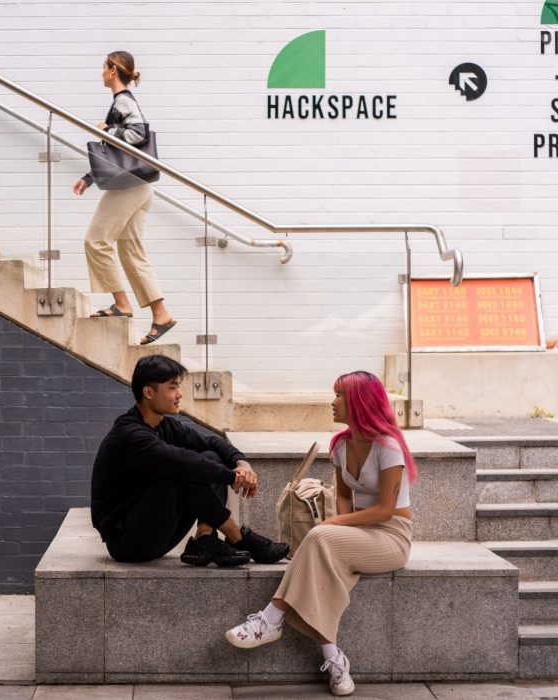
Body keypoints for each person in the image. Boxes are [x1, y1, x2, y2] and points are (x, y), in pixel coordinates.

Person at [225, 371, 416, 697]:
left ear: (359, 402)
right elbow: (343, 497)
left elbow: (385, 510)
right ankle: (335, 660)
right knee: (325, 561)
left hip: (391, 536)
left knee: (319, 537)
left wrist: (334, 527)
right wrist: (341, 528)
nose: (333, 401)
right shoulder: (341, 445)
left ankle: (271, 619)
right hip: (360, 530)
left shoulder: (388, 447)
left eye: (339, 395)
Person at [91, 355, 289, 567]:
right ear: (148, 392)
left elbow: (211, 443)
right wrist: (231, 477)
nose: (179, 394)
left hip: (159, 534)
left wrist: (241, 464)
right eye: (172, 387)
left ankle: (204, 538)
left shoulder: (165, 426)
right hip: (127, 542)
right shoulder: (130, 434)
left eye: (178, 386)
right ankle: (238, 537)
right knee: (180, 473)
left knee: (210, 457)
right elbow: (183, 463)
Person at [73, 51, 175, 345]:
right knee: (131, 251)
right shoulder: (120, 102)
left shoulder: (123, 101)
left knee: (96, 241)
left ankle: (122, 304)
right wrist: (89, 178)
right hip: (141, 186)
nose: (101, 72)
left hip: (129, 187)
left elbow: (138, 132)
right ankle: (161, 314)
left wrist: (109, 130)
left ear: (114, 70)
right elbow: (116, 156)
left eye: (104, 67)